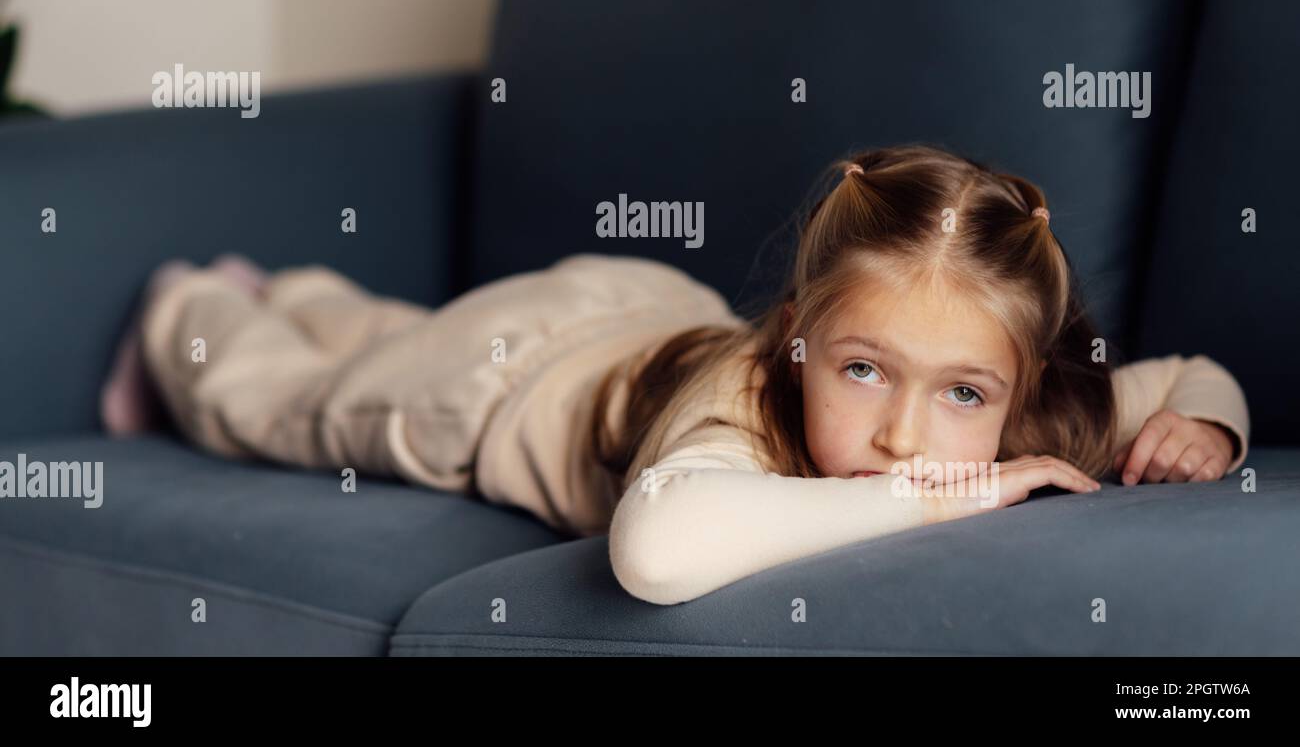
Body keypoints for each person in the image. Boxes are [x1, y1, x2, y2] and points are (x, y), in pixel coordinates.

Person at [99, 143, 1250, 605]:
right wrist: (960, 488)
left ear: (1016, 384)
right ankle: (196, 302)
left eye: (962, 396)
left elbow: (1193, 372)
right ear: (795, 340)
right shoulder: (738, 411)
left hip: (638, 310)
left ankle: (301, 292)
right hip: (501, 386)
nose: (904, 436)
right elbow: (653, 551)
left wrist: (1205, 428)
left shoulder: (1040, 398)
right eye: (860, 369)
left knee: (387, 325)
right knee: (278, 402)